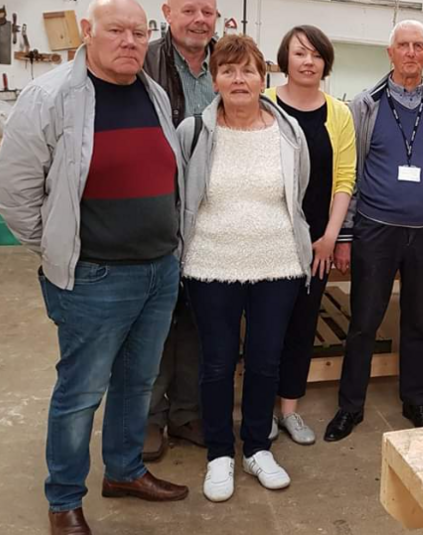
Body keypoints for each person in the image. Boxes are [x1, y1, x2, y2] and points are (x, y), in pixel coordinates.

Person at [0, 0, 189, 535]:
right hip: (94, 277)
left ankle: (124, 471)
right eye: (115, 31)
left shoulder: (149, 91)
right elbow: (12, 195)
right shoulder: (49, 96)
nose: (130, 41)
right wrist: (62, 252)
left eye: (138, 31)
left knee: (138, 381)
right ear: (87, 30)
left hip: (158, 270)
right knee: (80, 393)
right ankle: (64, 500)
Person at [178, 34, 313, 502]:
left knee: (265, 360)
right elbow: (183, 197)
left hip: (277, 263)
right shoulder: (193, 130)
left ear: (263, 78)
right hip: (210, 263)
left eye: (248, 70)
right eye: (228, 70)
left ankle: (257, 446)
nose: (239, 79)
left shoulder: (288, 132)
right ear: (214, 78)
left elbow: (297, 192)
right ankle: (219, 453)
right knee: (216, 363)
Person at [323, 20, 423, 442]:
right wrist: (345, 234)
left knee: (417, 322)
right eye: (403, 45)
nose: (411, 52)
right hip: (375, 232)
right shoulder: (365, 105)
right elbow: (350, 174)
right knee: (364, 320)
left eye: (419, 46)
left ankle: (416, 400)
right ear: (389, 53)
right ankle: (350, 406)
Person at [265, 25, 356, 445]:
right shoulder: (264, 104)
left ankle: (289, 409)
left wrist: (330, 236)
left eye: (316, 55)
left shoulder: (338, 113)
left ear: (325, 63)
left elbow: (344, 179)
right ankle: (261, 409)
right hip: (267, 238)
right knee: (266, 327)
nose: (307, 61)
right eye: (299, 53)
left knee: (303, 324)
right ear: (286, 59)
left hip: (316, 243)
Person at [141, 0, 219, 461]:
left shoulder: (227, 63)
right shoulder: (144, 61)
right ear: (167, 13)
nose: (199, 21)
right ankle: (147, 417)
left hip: (211, 217)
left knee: (197, 321)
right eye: (188, 11)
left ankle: (187, 412)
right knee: (154, 323)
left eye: (207, 13)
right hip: (156, 213)